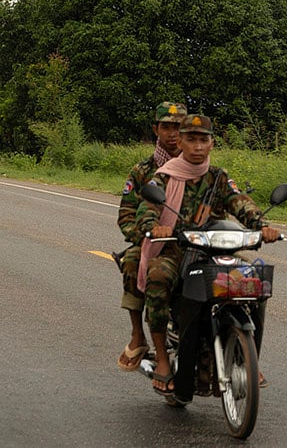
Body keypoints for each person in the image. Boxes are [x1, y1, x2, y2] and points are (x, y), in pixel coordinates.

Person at [135, 114, 280, 397]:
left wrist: (262, 226)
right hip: (177, 249)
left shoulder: (219, 177)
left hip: (216, 250)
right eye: (192, 139)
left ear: (212, 143)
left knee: (254, 280)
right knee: (158, 276)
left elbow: (241, 204)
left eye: (204, 139)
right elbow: (146, 212)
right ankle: (163, 357)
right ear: (182, 141)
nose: (198, 146)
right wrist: (155, 226)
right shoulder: (164, 175)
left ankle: (248, 359)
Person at [115, 101, 186, 372]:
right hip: (154, 244)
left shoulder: (201, 168)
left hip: (194, 243)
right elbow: (127, 214)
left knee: (243, 275)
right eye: (167, 127)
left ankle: (242, 352)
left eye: (179, 127)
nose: (173, 134)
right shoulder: (143, 172)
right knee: (133, 261)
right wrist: (145, 236)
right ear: (156, 129)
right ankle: (138, 336)